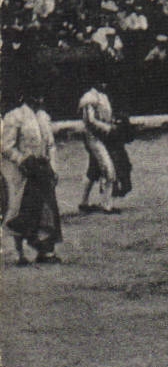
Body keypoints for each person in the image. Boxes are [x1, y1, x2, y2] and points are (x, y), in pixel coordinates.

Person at [2, 88, 64, 265]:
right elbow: (6, 146)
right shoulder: (15, 116)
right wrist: (22, 160)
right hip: (24, 171)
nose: (38, 99)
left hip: (43, 169)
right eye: (35, 96)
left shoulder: (43, 116)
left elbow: (51, 144)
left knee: (47, 208)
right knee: (21, 208)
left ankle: (45, 251)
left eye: (40, 96)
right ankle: (19, 253)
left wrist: (53, 167)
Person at [77, 79, 120, 213]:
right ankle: (106, 205)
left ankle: (84, 202)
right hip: (93, 137)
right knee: (108, 169)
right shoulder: (89, 98)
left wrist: (112, 123)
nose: (104, 83)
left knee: (93, 170)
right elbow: (90, 121)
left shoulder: (102, 96)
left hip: (102, 137)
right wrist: (107, 128)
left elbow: (106, 116)